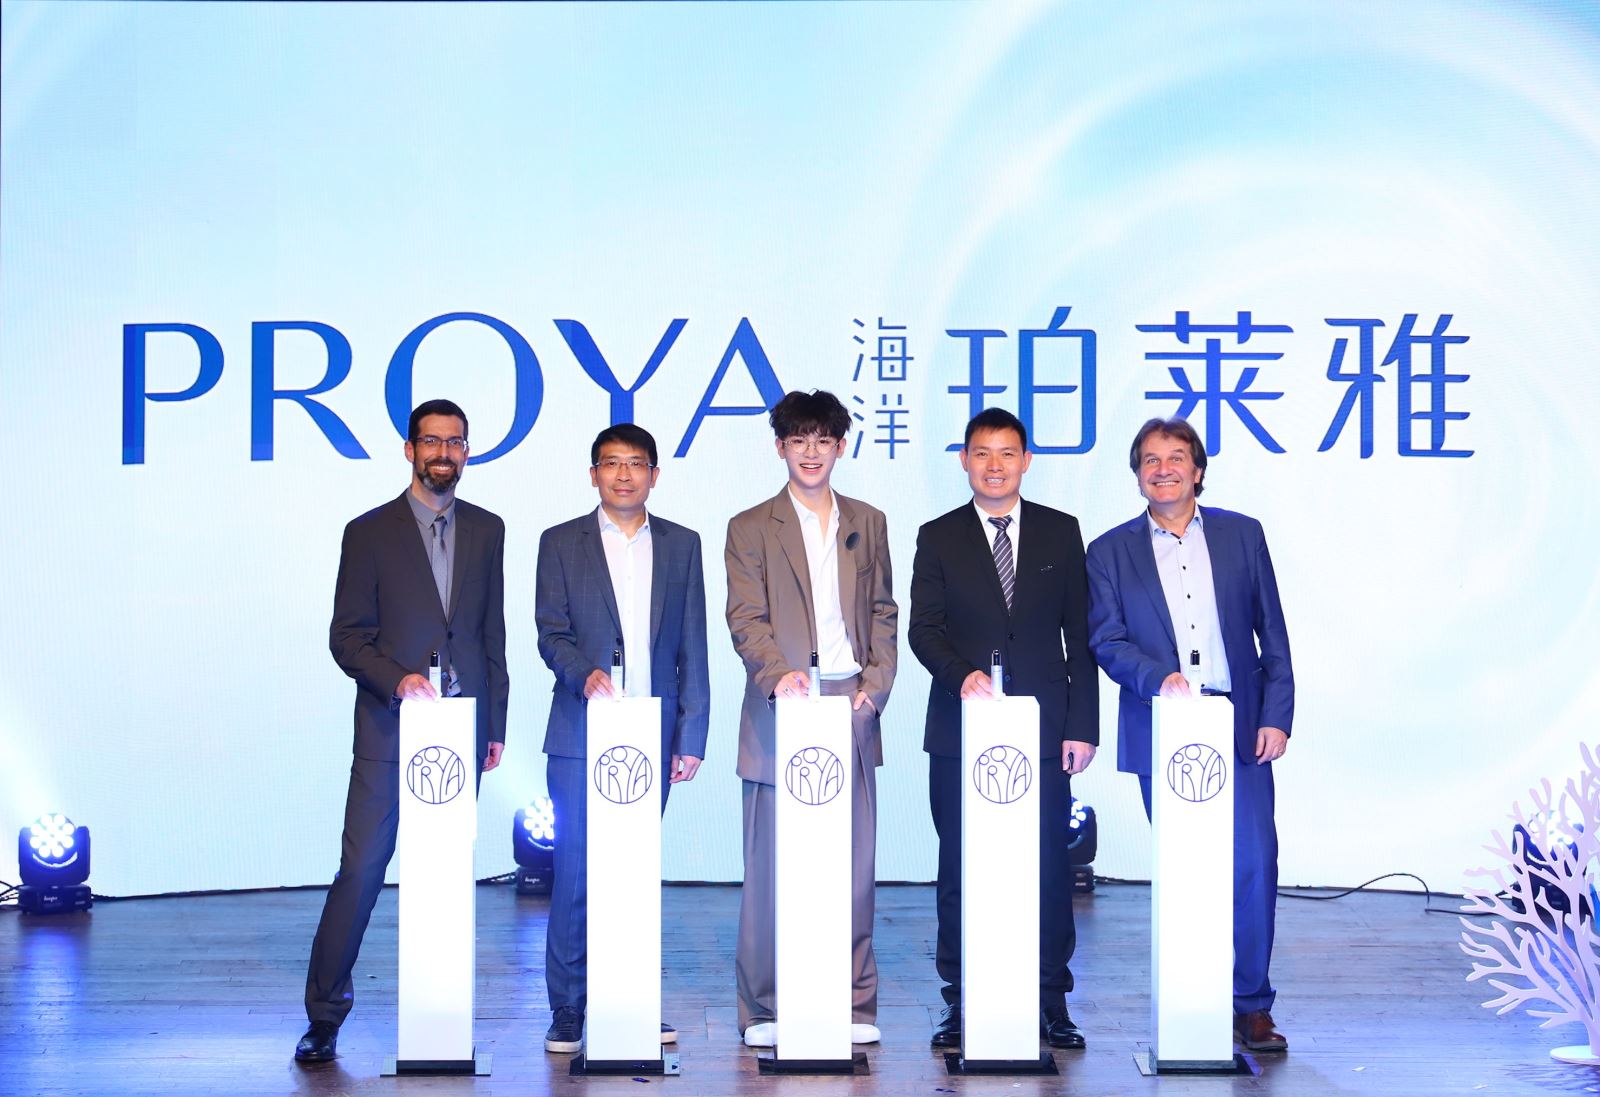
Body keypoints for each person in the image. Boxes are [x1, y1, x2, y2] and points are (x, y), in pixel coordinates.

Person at [296, 398, 509, 1063]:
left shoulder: (489, 528)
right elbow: (347, 637)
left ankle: (439, 1020)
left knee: (445, 875)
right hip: (389, 734)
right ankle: (324, 1016)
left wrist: (495, 721)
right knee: (361, 871)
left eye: (456, 442)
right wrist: (400, 681)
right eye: (432, 441)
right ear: (410, 449)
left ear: (466, 451)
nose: (444, 453)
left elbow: (490, 633)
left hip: (460, 734)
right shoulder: (368, 532)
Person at [1084, 416, 1294, 1053]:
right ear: (1137, 475)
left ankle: (1251, 1005)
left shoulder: (1241, 535)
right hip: (1164, 725)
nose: (1164, 469)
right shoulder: (1109, 551)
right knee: (1185, 869)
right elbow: (1106, 639)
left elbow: (1272, 632)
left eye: (1176, 458)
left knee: (1253, 863)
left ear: (1197, 470)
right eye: (1150, 460)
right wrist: (1159, 678)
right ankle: (1193, 999)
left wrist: (1276, 714)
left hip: (1238, 723)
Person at [907, 406, 1098, 1051]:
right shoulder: (938, 536)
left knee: (1047, 868)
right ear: (964, 460)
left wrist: (1082, 725)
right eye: (982, 453)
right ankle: (961, 1000)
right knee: (961, 867)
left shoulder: (1060, 532)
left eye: (1007, 453)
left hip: (1043, 734)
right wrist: (960, 675)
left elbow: (1081, 638)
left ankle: (1050, 999)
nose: (995, 466)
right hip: (960, 731)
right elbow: (924, 629)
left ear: (1027, 461)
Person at [724, 390, 897, 1049]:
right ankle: (763, 1005)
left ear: (840, 446)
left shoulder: (868, 520)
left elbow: (884, 611)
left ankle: (853, 1001)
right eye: (798, 439)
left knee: (852, 867)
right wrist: (778, 675)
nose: (811, 452)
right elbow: (746, 618)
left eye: (823, 439)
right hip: (782, 706)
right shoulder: (750, 526)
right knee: (772, 869)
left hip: (850, 702)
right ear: (780, 447)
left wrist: (875, 687)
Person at [534, 423, 710, 1054]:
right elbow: (550, 632)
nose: (624, 474)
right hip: (581, 731)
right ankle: (569, 1007)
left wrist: (691, 733)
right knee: (577, 871)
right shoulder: (560, 542)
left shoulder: (682, 545)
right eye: (611, 463)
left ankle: (631, 999)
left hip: (651, 735)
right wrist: (585, 675)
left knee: (634, 874)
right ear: (594, 475)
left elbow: (693, 644)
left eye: (636, 464)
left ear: (655, 475)